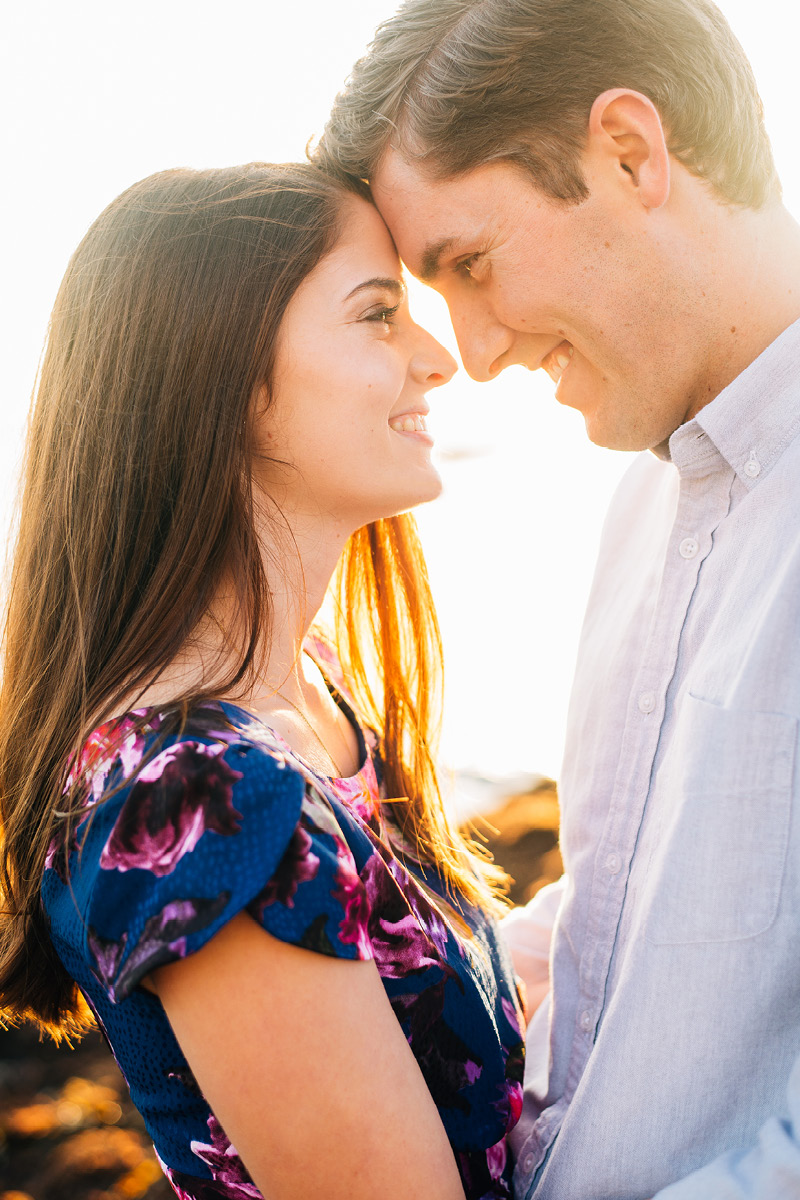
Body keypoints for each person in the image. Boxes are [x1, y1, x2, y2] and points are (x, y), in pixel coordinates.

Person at [314, 0, 800, 1197]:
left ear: (629, 152)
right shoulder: (648, 505)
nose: (469, 355)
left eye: (468, 266)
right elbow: (665, 905)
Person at [0, 162, 527, 1200]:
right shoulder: (191, 795)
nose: (437, 358)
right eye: (377, 314)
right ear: (227, 379)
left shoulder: (309, 699)